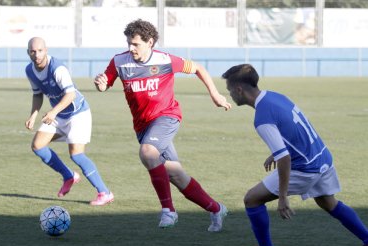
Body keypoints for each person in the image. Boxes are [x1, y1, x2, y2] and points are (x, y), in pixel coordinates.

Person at [222, 63, 368, 246]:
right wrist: (276, 152)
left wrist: (282, 197)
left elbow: (284, 158)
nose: (230, 94)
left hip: (305, 168)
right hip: (322, 156)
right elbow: (296, 128)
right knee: (328, 202)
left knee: (252, 199)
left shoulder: (262, 118)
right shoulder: (275, 96)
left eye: (229, 90)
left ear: (239, 89)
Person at [94, 19, 231, 231]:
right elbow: (106, 83)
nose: (131, 48)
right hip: (143, 127)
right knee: (176, 175)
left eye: (136, 44)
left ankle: (168, 210)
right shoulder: (119, 61)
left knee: (148, 153)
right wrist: (101, 84)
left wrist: (215, 94)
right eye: (129, 43)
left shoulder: (166, 60)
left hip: (167, 117)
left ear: (150, 42)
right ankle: (216, 208)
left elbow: (197, 68)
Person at [25, 37, 114, 206]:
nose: (36, 55)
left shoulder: (57, 68)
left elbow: (70, 95)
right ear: (28, 52)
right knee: (37, 145)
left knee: (76, 154)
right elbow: (37, 94)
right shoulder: (29, 70)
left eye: (40, 50)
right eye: (33, 51)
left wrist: (52, 112)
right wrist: (33, 115)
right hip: (58, 114)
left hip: (77, 113)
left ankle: (105, 192)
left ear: (46, 49)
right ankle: (69, 176)